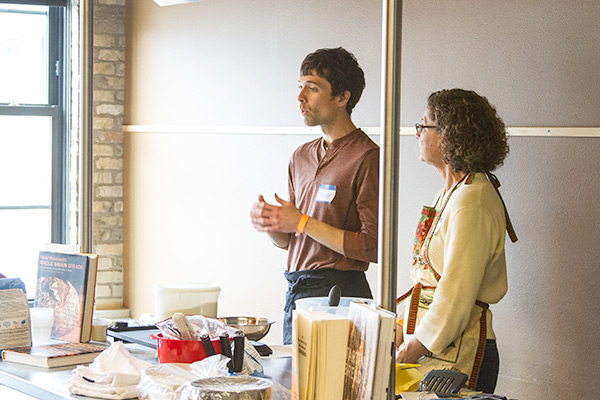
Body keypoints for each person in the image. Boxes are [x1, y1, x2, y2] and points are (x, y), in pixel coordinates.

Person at [250, 47, 379, 345]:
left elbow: (371, 247)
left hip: (339, 293)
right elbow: (292, 239)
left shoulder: (366, 156)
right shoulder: (301, 156)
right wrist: (273, 225)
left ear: (342, 97)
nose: (300, 97)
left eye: (312, 88)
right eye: (300, 87)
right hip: (297, 288)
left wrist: (301, 221)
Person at [395, 89, 517, 393]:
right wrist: (400, 327)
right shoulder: (451, 192)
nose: (418, 134)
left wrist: (414, 346)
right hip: (437, 346)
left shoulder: (472, 201)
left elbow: (455, 295)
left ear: (449, 135)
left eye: (424, 125)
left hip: (461, 351)